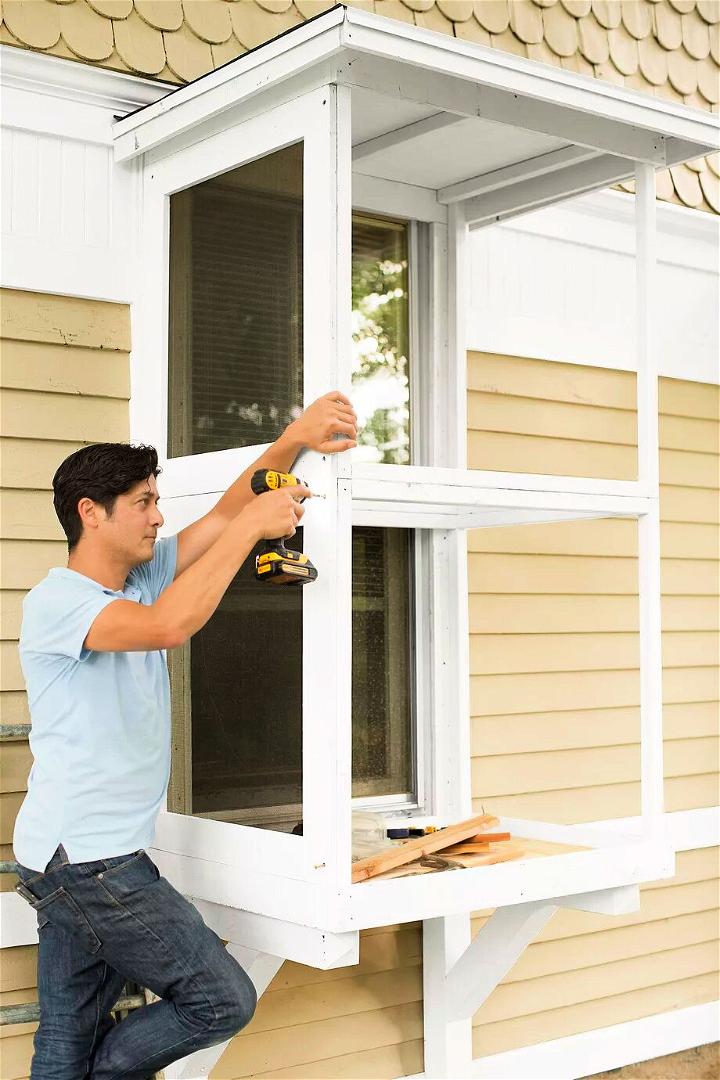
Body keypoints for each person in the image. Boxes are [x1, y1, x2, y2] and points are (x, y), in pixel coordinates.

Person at [12, 392, 358, 1080]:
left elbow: (231, 509)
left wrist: (293, 435)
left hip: (76, 855)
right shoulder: (59, 602)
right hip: (90, 861)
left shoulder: (139, 577)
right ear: (91, 511)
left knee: (65, 1037)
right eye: (142, 501)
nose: (158, 514)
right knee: (219, 999)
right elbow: (168, 626)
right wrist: (250, 530)